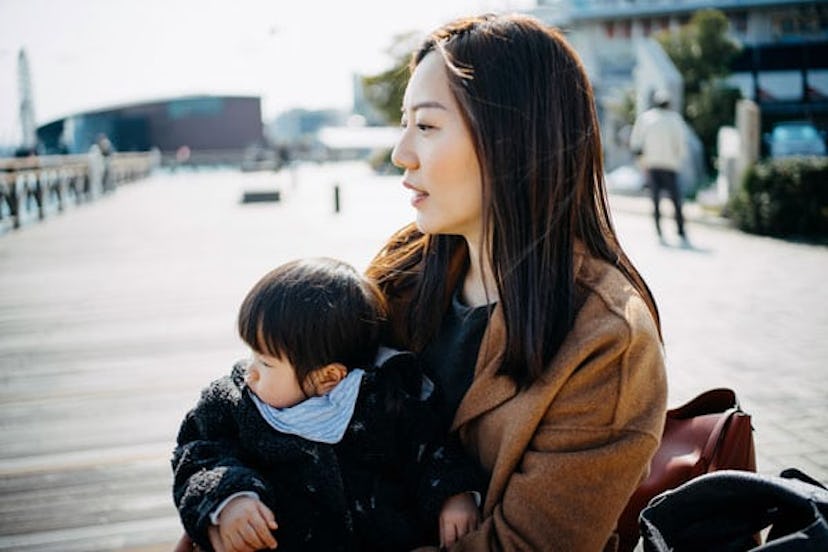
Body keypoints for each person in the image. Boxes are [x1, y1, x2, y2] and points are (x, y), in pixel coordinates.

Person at [363, 13, 668, 551]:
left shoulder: (607, 341)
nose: (400, 152)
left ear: (511, 137)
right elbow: (292, 379)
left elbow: (522, 545)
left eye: (427, 126)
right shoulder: (405, 270)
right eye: (404, 123)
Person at [172, 258, 485, 552]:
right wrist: (231, 498)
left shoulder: (389, 400)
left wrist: (454, 494)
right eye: (252, 353)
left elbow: (432, 449)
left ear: (328, 377)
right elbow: (199, 453)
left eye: (266, 363)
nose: (249, 371)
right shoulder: (234, 404)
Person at [629, 89, 689, 243]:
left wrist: (641, 162)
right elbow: (681, 144)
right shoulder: (675, 119)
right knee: (675, 200)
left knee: (655, 200)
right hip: (670, 166)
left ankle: (659, 230)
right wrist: (679, 160)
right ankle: (680, 230)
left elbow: (636, 143)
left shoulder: (646, 118)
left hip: (652, 164)